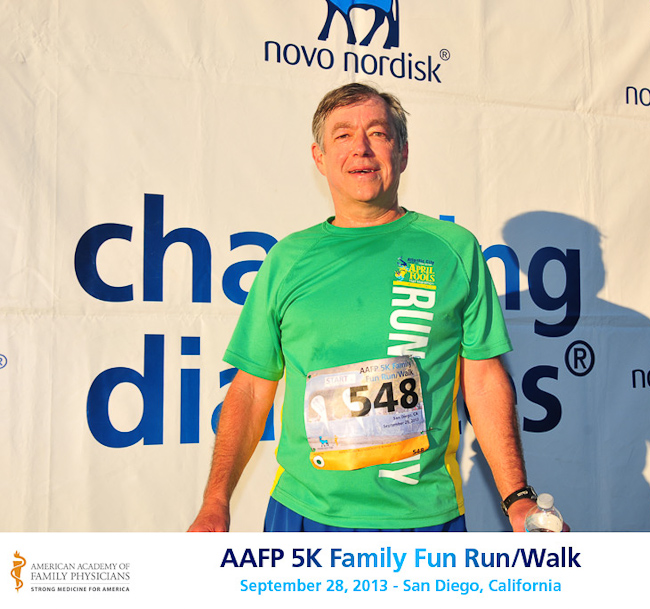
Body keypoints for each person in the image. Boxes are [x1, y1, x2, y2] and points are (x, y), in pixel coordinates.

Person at [188, 82, 544, 533]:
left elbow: (484, 379)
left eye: (378, 133)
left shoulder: (455, 250)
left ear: (403, 152)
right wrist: (215, 502)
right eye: (343, 135)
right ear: (319, 157)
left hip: (423, 519)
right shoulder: (287, 260)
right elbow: (251, 389)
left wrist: (517, 498)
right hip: (303, 517)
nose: (361, 148)